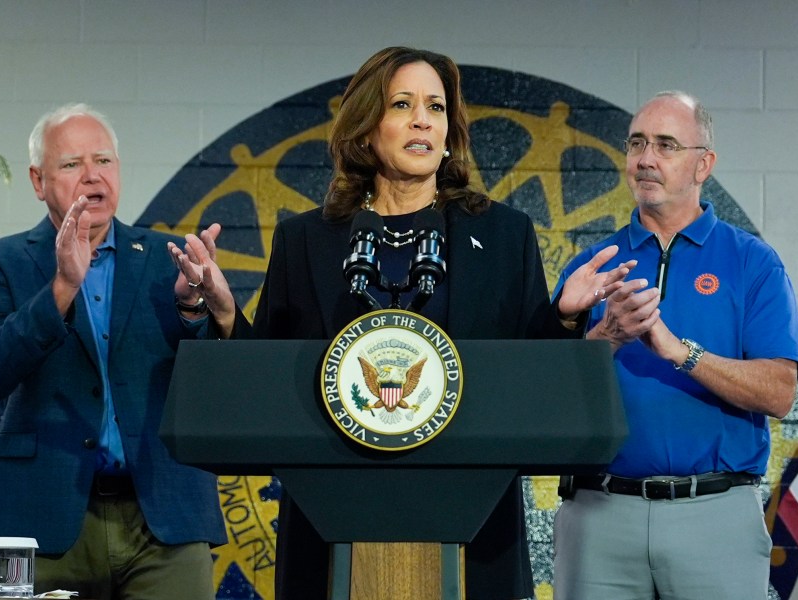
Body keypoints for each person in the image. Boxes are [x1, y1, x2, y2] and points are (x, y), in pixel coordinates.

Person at [171, 46, 630, 600]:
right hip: (332, 521)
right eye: (403, 105)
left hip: (473, 524)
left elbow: (530, 382)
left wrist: (563, 317)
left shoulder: (504, 236)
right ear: (367, 128)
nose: (422, 120)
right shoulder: (306, 240)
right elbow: (270, 385)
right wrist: (222, 312)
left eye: (436, 108)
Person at [0, 103, 227, 599]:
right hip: (37, 520)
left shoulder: (169, 261)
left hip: (163, 519)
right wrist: (63, 286)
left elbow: (215, 382)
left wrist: (195, 308)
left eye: (103, 161)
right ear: (39, 181)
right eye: (71, 165)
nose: (92, 176)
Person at [551, 91, 798, 600]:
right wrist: (603, 336)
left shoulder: (752, 262)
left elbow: (779, 394)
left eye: (666, 145)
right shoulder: (591, 266)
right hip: (599, 516)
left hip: (715, 518)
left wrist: (678, 351)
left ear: (703, 164)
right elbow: (549, 402)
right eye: (637, 143)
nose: (646, 159)